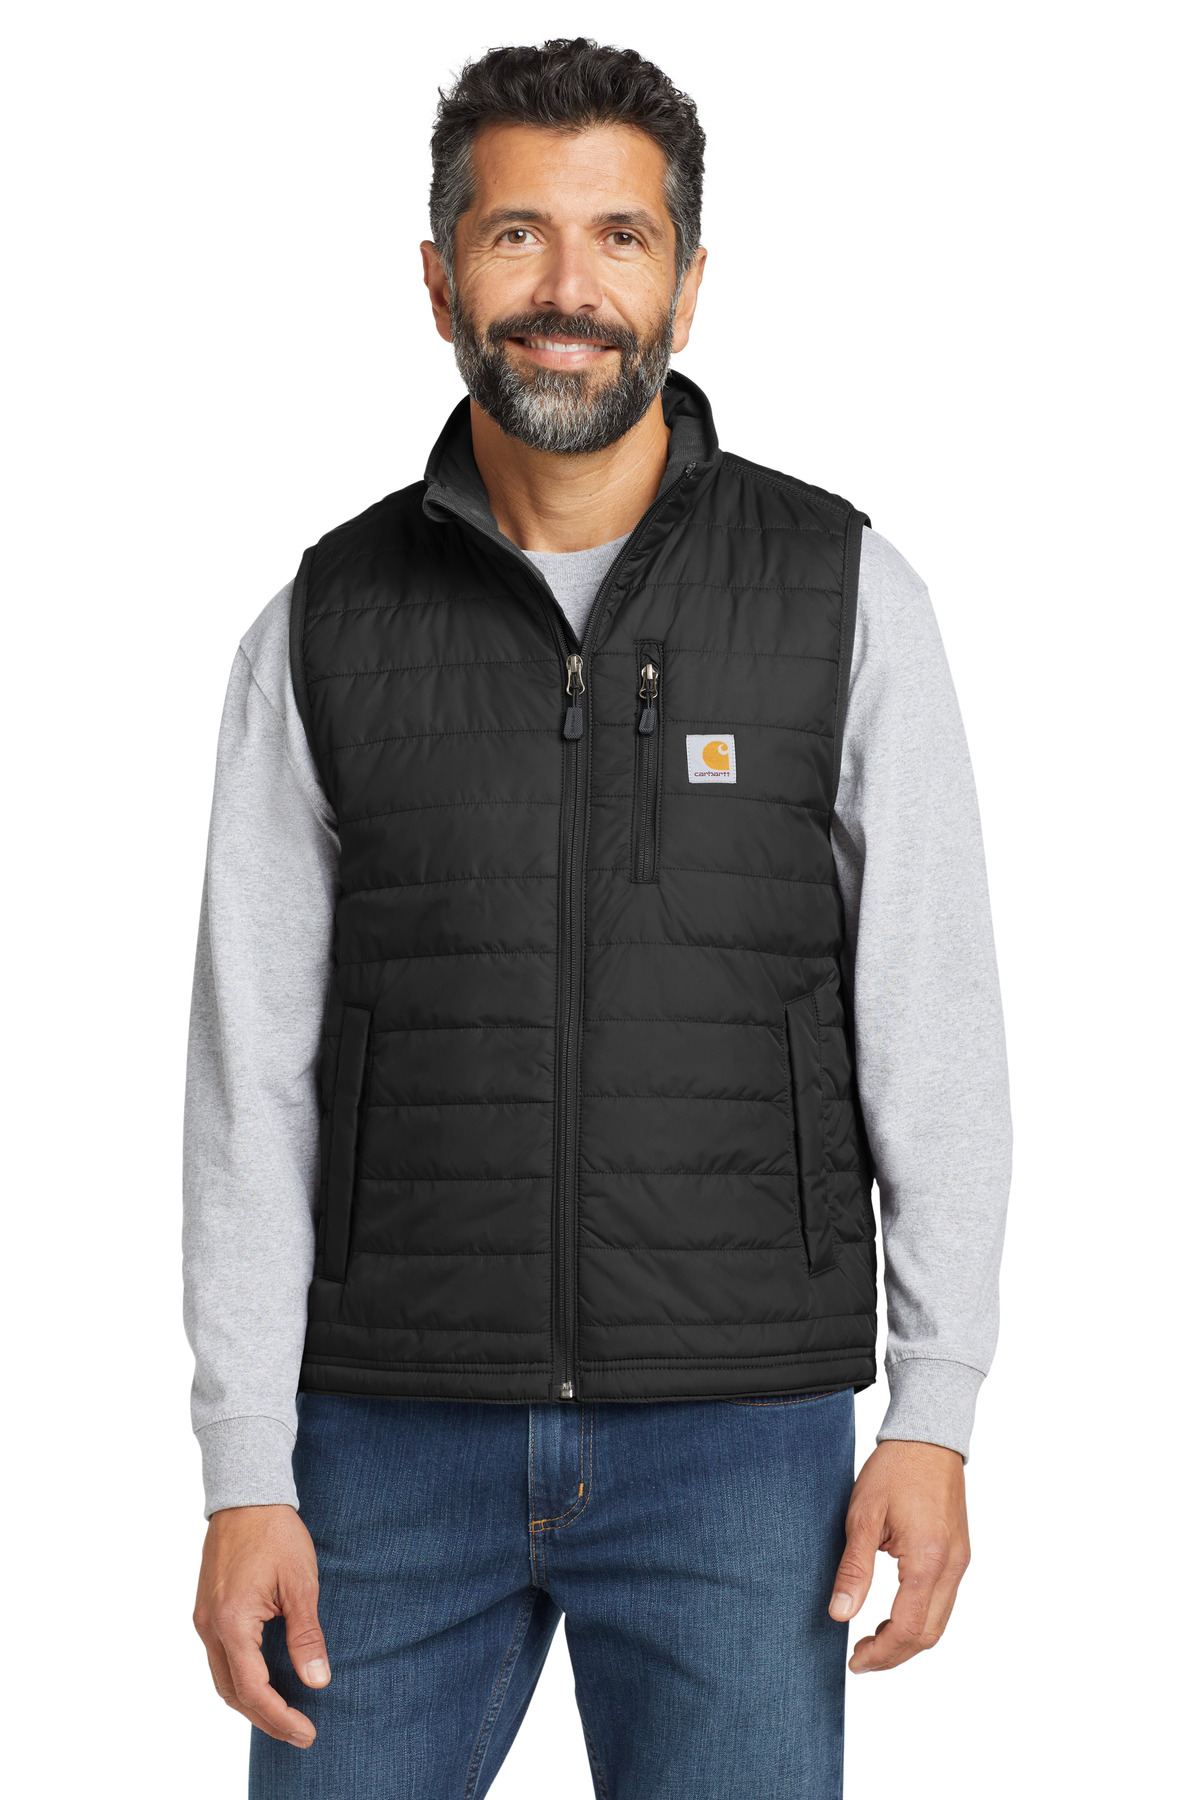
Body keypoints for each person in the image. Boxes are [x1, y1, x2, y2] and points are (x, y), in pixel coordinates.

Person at [185, 37, 1010, 1800]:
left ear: (688, 286)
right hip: (383, 1442)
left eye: (621, 238)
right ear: (439, 280)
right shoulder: (322, 624)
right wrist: (246, 1464)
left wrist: (933, 1410)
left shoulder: (844, 594)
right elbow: (251, 1080)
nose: (569, 289)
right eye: (517, 236)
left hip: (741, 1445)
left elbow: (931, 1027)